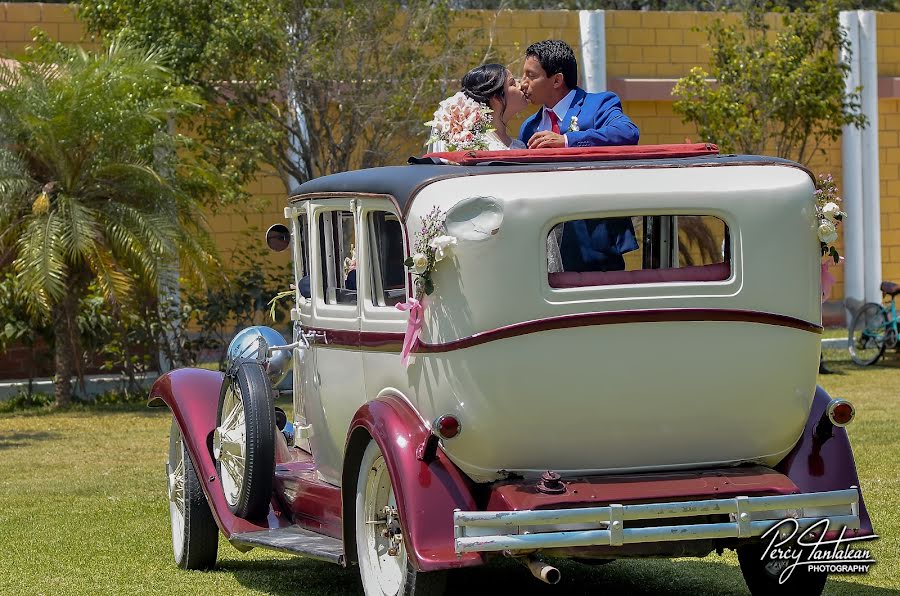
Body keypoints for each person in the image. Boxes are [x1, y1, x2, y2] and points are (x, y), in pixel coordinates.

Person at [519, 39, 639, 272]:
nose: (523, 84)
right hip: (543, 241)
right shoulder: (528, 127)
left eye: (530, 76)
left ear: (556, 80)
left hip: (594, 242)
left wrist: (566, 141)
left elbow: (627, 132)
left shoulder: (599, 104)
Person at [427, 63, 529, 152]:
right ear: (496, 97)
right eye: (512, 83)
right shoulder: (470, 144)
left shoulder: (519, 145)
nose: (521, 86)